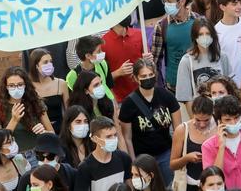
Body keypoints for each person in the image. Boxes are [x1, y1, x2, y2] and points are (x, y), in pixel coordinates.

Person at [119, 58, 181, 186]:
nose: (148, 78)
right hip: (142, 158)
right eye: (143, 76)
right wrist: (133, 162)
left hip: (166, 153)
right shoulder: (128, 104)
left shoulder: (166, 96)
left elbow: (178, 129)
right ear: (136, 78)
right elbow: (127, 138)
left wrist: (177, 156)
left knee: (170, 186)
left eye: (151, 75)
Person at [201, 95, 241, 190]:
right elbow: (213, 178)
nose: (233, 123)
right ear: (219, 121)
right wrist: (221, 147)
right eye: (228, 119)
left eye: (236, 118)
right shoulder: (208, 146)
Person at [0, 66, 54, 155]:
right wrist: (14, 120)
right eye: (11, 85)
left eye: (20, 84)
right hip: (14, 157)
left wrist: (44, 132)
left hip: (38, 154)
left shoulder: (36, 103)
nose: (16, 88)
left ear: (25, 85)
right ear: (6, 87)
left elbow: (52, 134)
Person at [176, 18, 231, 114]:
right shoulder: (186, 61)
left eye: (208, 34)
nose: (204, 37)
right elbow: (186, 99)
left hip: (221, 113)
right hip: (200, 114)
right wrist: (196, 121)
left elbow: (229, 88)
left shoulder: (222, 57)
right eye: (201, 34)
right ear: (195, 37)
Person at [151, 0, 199, 91]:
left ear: (181, 2)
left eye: (169, 0)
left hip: (199, 81)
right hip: (174, 85)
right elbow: (155, 60)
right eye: (164, 0)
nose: (166, 4)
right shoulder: (161, 26)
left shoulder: (198, 21)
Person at [169, 95, 216, 191]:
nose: (202, 124)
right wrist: (186, 158)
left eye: (206, 120)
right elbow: (172, 165)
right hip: (189, 185)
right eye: (198, 120)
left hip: (213, 185)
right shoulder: (182, 130)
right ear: (193, 114)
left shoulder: (218, 128)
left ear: (212, 114)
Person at [74, 116, 132, 191]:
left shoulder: (124, 158)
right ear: (95, 139)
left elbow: (129, 185)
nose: (113, 139)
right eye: (108, 137)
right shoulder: (85, 168)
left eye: (115, 135)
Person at [29, 49, 68, 135]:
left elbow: (68, 110)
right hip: (40, 132)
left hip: (61, 130)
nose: (49, 64)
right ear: (36, 65)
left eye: (50, 61)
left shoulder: (61, 83)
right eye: (45, 62)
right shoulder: (29, 87)